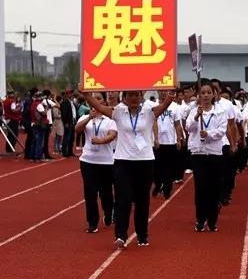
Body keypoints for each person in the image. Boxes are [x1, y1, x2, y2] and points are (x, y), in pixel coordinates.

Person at [82, 89, 175, 248]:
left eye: (136, 95)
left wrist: (172, 90)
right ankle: (121, 235)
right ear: (124, 97)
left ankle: (142, 235)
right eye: (130, 95)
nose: (133, 98)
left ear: (141, 97)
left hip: (144, 161)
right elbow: (98, 105)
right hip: (123, 162)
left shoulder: (148, 112)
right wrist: (85, 94)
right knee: (122, 200)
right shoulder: (118, 111)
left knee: (142, 201)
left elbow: (166, 103)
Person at [185, 82, 229, 232]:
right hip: (198, 153)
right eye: (202, 93)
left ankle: (212, 219)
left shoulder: (220, 112)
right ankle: (200, 218)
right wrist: (197, 116)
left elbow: (222, 130)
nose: (205, 96)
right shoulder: (194, 111)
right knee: (201, 188)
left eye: (208, 92)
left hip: (215, 153)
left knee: (214, 188)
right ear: (198, 95)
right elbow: (188, 128)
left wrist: (208, 134)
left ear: (214, 94)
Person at [76, 97, 118, 232]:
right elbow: (77, 130)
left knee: (106, 192)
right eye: (94, 99)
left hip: (106, 161)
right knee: (90, 192)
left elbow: (112, 135)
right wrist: (89, 118)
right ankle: (92, 222)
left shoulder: (110, 119)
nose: (96, 101)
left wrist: (101, 141)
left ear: (104, 103)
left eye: (99, 99)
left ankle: (108, 211)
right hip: (88, 160)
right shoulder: (85, 117)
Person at [152, 91, 184, 199]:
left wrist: (178, 139)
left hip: (170, 141)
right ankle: (157, 184)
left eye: (166, 91)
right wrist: (155, 138)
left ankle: (167, 189)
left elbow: (177, 124)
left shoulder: (175, 107)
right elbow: (153, 122)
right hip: (156, 142)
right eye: (161, 91)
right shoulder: (153, 105)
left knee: (169, 167)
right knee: (156, 167)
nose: (163, 93)